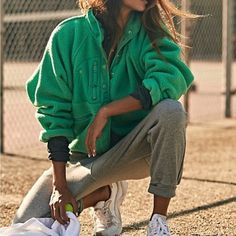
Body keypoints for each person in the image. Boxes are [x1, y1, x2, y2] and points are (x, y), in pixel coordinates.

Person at [13, 0, 195, 235]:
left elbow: (170, 79)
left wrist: (107, 111)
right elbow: (54, 111)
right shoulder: (68, 35)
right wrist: (60, 185)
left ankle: (158, 221)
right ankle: (103, 195)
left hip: (136, 151)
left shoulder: (150, 33)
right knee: (24, 225)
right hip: (86, 160)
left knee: (171, 111)